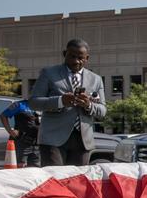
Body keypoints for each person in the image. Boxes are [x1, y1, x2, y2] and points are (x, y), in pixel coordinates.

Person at [28, 39, 106, 167]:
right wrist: (60, 101)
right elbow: (33, 102)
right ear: (65, 54)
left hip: (82, 141)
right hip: (53, 139)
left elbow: (103, 110)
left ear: (87, 58)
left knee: (77, 182)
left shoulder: (96, 79)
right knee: (56, 179)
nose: (76, 61)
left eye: (80, 58)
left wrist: (88, 105)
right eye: (72, 56)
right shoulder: (49, 73)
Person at [0, 99, 40, 168]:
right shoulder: (19, 104)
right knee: (19, 169)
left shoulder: (42, 105)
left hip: (37, 144)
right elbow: (3, 115)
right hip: (22, 142)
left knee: (35, 170)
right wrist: (10, 131)